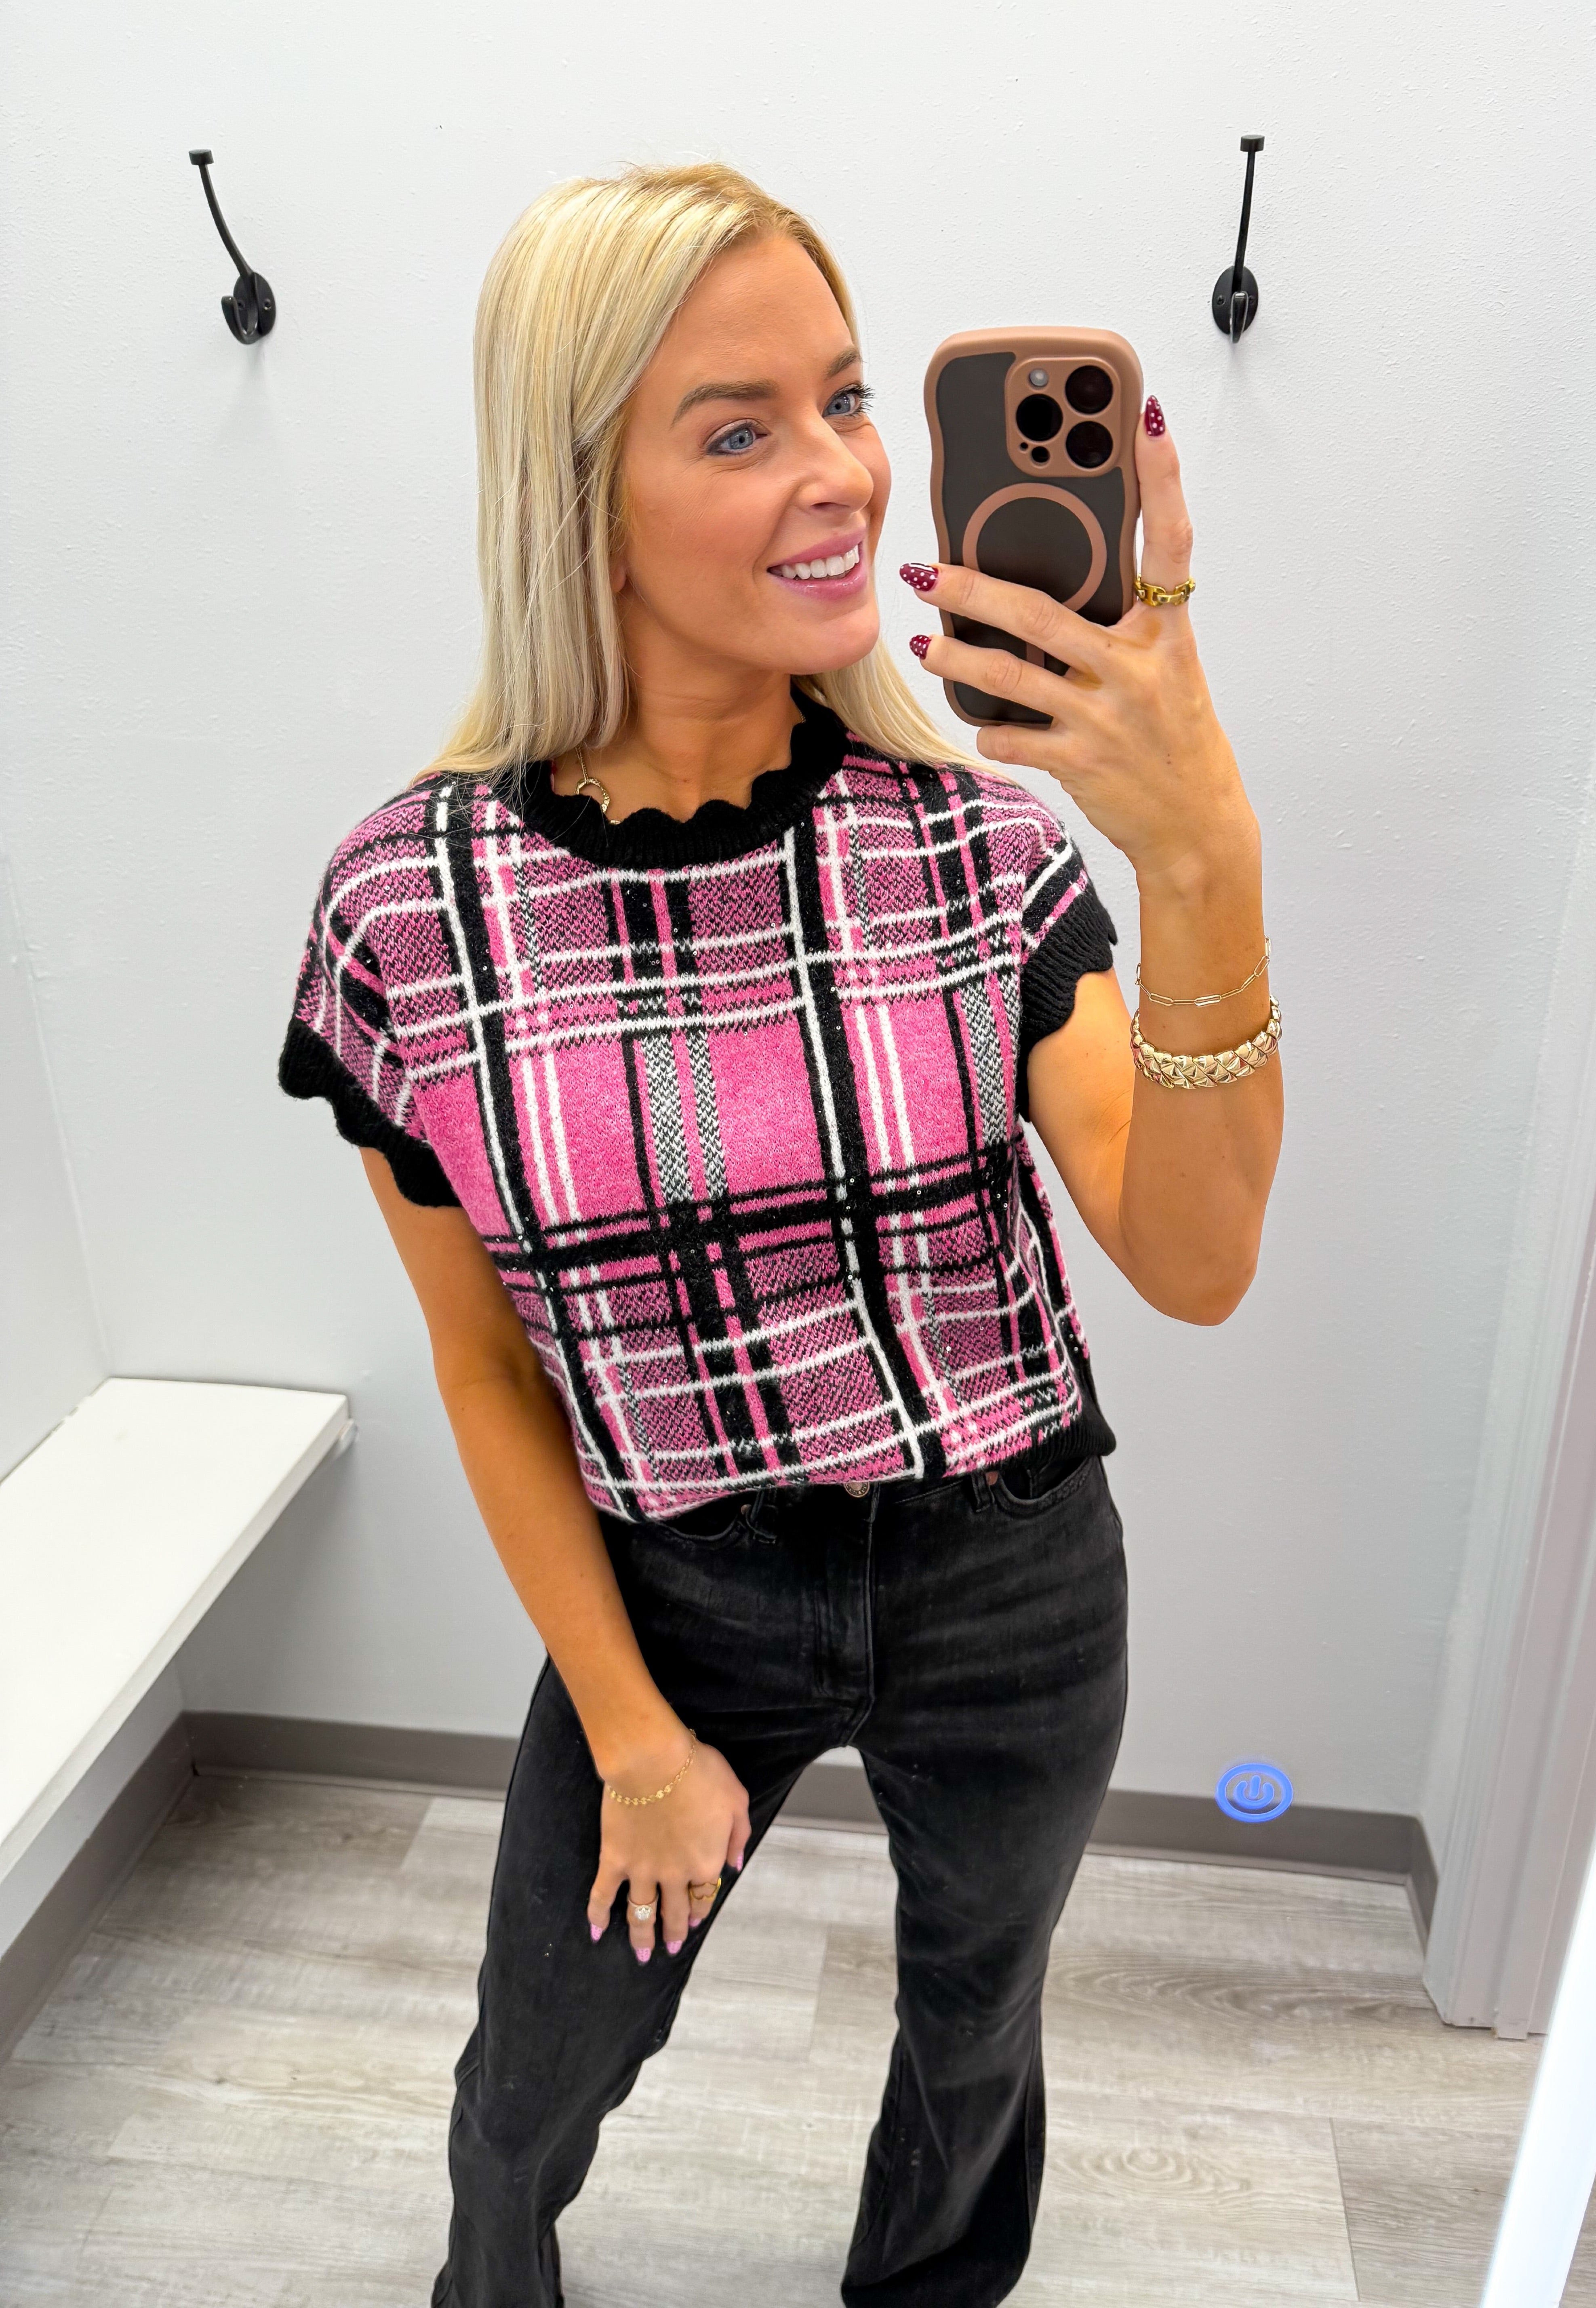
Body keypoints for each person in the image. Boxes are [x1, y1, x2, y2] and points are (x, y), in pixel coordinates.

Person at [278, 161, 1281, 2308]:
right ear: (581, 501)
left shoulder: (975, 844)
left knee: (975, 2035)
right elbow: (486, 1364)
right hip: (677, 1597)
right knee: (532, 2078)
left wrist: (1206, 861)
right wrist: (635, 1734)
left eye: (843, 397)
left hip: (1009, 1569)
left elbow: (1195, 1263)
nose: (842, 472)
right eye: (739, 428)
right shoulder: (410, 911)